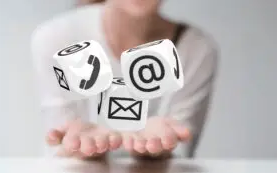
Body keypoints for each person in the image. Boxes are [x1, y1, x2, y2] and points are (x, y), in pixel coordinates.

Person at [31, 0, 218, 159]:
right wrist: (78, 147)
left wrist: (160, 149)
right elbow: (57, 142)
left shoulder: (197, 49)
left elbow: (181, 151)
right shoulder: (57, 36)